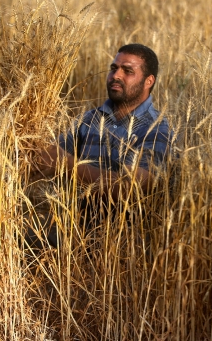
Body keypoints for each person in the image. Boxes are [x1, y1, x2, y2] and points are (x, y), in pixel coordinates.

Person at [28, 43, 171, 248]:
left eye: (127, 71)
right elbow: (49, 157)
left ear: (149, 81)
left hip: (125, 245)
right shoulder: (90, 118)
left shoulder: (156, 129)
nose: (116, 75)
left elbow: (130, 188)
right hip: (75, 229)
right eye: (114, 68)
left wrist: (67, 165)